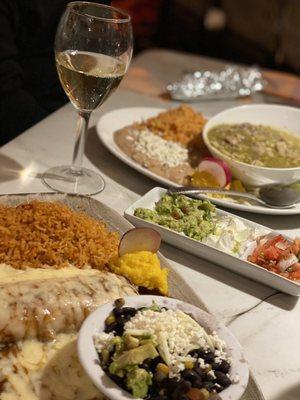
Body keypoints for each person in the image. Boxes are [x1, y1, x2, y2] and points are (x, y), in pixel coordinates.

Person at [0, 0, 110, 146]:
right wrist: (56, 135)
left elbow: (100, 39)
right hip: (24, 132)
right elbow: (6, 91)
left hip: (72, 119)